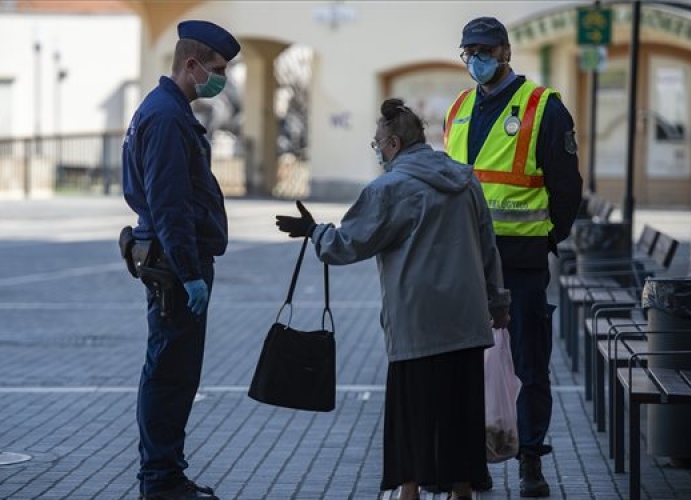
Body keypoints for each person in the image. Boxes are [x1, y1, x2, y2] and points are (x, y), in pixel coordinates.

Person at [276, 98, 510, 500]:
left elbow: (347, 244)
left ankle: (410, 488)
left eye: (377, 144)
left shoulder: (390, 188)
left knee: (413, 409)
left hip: (416, 322)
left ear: (395, 144)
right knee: (462, 405)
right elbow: (488, 246)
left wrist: (314, 232)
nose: (378, 152)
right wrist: (498, 302)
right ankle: (462, 488)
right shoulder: (466, 180)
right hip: (467, 319)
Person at [443, 16, 583, 498]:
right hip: (465, 263)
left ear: (505, 51)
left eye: (484, 50)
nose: (476, 59)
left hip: (519, 263)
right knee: (463, 366)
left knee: (528, 365)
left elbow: (567, 191)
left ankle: (530, 460)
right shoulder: (459, 108)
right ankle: (470, 463)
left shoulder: (544, 107)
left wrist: (544, 240)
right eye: (469, 52)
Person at [121, 20, 240, 500]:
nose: (221, 78)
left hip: (169, 261)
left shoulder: (163, 110)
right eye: (216, 69)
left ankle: (166, 473)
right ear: (190, 65)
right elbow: (169, 204)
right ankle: (161, 480)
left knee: (172, 372)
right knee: (171, 375)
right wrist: (190, 274)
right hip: (174, 268)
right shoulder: (167, 118)